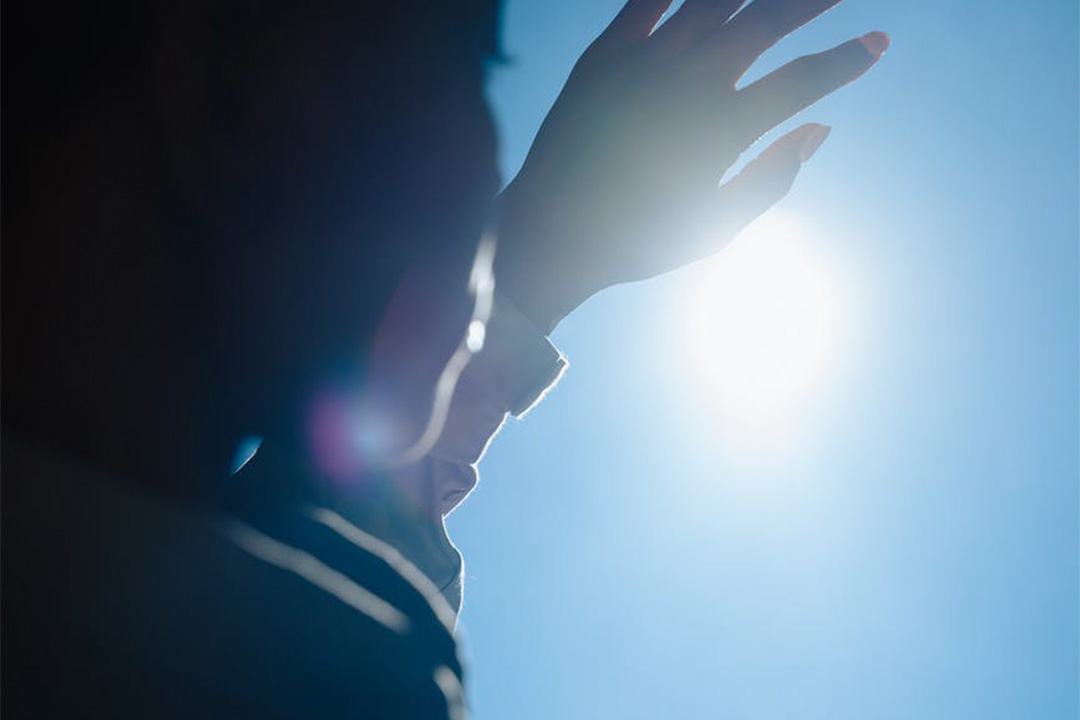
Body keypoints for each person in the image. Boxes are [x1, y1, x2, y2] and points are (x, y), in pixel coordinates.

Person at [1, 0, 886, 716]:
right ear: (233, 70)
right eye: (464, 66)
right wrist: (534, 259)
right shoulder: (318, 673)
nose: (486, 153)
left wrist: (533, 263)